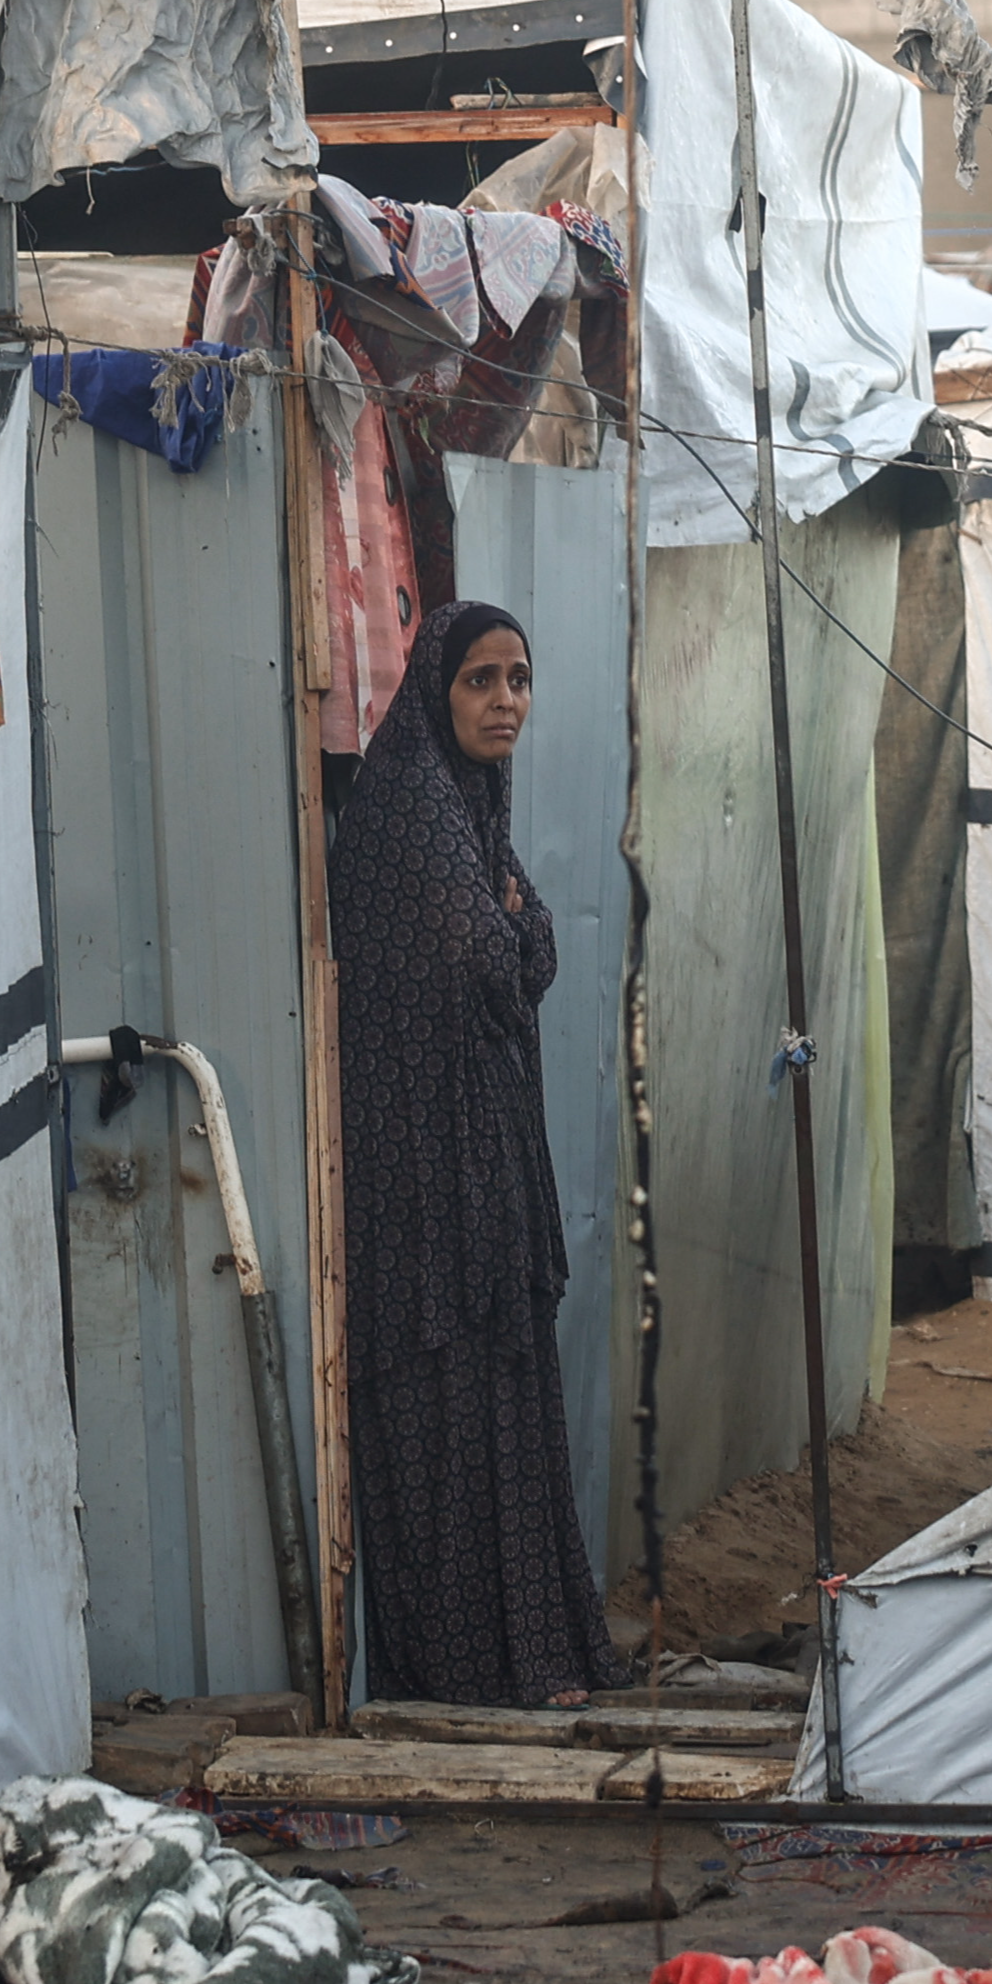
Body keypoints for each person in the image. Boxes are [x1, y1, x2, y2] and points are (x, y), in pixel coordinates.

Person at [328, 600, 621, 1708]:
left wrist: (516, 930)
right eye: (482, 682)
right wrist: (513, 933)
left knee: (499, 1397)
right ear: (436, 694)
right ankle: (462, 1664)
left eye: (520, 680)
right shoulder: (410, 808)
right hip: (423, 1171)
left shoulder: (471, 807)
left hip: (473, 1154)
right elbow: (495, 964)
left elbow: (524, 940)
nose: (507, 703)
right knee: (447, 1404)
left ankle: (519, 1652)